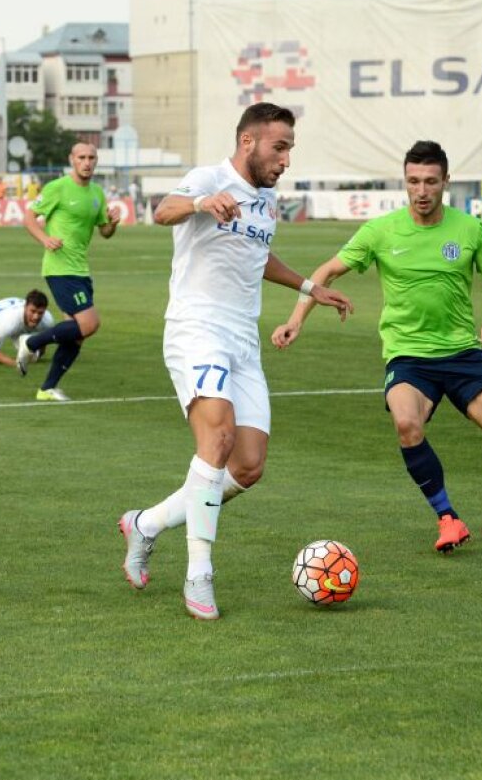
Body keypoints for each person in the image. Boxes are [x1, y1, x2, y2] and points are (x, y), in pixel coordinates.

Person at [117, 103, 352, 620]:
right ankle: (199, 573)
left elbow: (257, 255)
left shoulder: (266, 201)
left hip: (243, 340)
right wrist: (202, 202)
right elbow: (163, 211)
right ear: (249, 141)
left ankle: (146, 523)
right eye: (279, 147)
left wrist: (311, 288)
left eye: (290, 149)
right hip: (196, 329)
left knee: (247, 465)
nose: (286, 160)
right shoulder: (210, 178)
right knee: (218, 438)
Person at [273, 140, 482, 554]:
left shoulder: (470, 229)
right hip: (408, 356)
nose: (421, 191)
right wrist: (295, 318)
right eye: (413, 181)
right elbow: (327, 271)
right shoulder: (381, 231)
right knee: (407, 424)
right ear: (405, 181)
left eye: (430, 181)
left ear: (446, 181)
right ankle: (448, 518)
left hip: (463, 353)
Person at [15, 142, 117, 401]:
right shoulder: (57, 188)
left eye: (91, 157)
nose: (87, 162)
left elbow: (104, 232)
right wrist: (45, 239)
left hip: (81, 270)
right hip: (60, 268)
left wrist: (113, 223)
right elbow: (29, 217)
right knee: (90, 324)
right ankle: (31, 343)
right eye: (81, 157)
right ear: (72, 159)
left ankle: (46, 389)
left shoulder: (97, 193)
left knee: (77, 335)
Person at [0, 289, 55, 368]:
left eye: (40, 313)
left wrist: (38, 353)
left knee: (32, 357)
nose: (36, 317)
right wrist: (14, 364)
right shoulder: (8, 320)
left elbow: (42, 346)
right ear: (25, 307)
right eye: (32, 311)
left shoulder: (47, 320)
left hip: (16, 316)